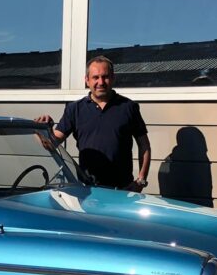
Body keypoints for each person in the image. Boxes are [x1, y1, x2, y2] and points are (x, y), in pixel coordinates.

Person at [36, 56, 151, 192]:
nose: (100, 82)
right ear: (87, 80)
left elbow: (144, 145)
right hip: (88, 190)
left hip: (122, 190)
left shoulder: (128, 107)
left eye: (105, 77)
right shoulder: (75, 109)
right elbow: (52, 143)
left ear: (113, 78)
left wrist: (141, 180)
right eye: (95, 77)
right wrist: (42, 131)